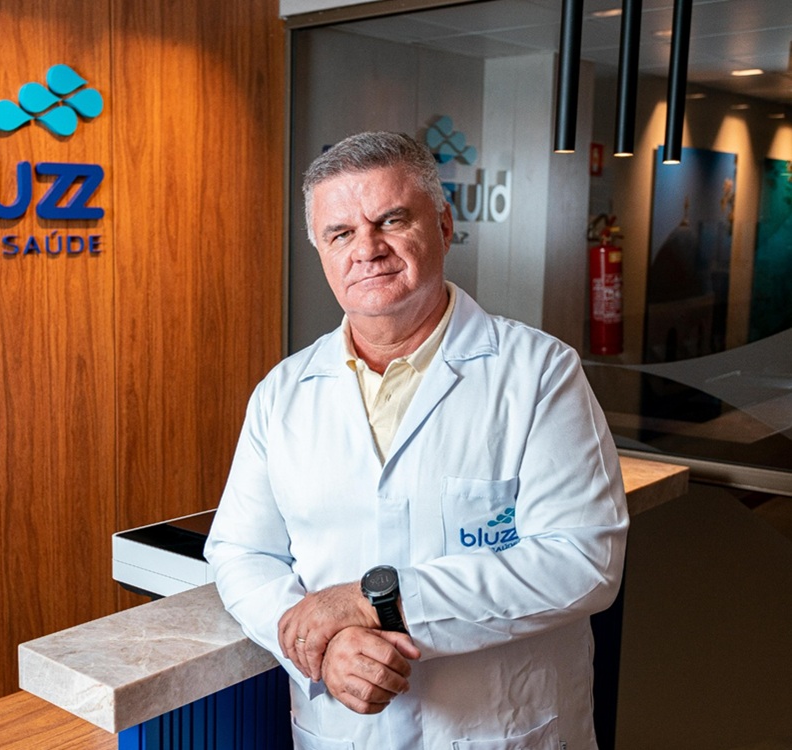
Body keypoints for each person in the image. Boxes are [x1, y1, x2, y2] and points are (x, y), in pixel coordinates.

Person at [204, 131, 628, 750]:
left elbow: (583, 561)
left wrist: (373, 605)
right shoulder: (283, 393)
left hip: (502, 730)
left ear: (445, 226)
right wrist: (321, 644)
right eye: (340, 233)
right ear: (321, 251)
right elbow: (241, 552)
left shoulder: (539, 373)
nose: (367, 249)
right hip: (345, 732)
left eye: (392, 220)